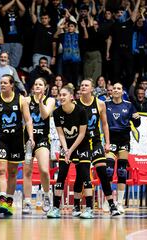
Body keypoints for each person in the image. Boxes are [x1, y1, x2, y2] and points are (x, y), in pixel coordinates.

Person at [47, 85, 92, 218]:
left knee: (85, 175)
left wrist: (71, 150)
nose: (61, 97)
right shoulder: (56, 113)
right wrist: (66, 150)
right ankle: (55, 208)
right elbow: (61, 134)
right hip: (66, 145)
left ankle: (88, 209)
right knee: (61, 175)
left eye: (64, 95)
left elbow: (82, 134)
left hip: (82, 144)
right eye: (60, 95)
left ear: (71, 97)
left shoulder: (81, 111)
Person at [76, 79, 120, 216]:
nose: (83, 87)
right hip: (80, 143)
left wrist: (107, 142)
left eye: (86, 85)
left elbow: (105, 124)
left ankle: (112, 205)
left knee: (103, 172)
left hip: (95, 142)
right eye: (82, 85)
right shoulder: (75, 105)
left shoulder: (100, 103)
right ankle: (79, 207)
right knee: (81, 175)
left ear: (92, 89)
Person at [0, 74, 34, 216]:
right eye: (1, 82)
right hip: (0, 139)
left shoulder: (21, 100)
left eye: (5, 83)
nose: (2, 85)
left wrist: (31, 137)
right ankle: (2, 199)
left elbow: (28, 120)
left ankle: (8, 203)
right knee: (1, 170)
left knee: (13, 172)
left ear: (12, 85)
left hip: (16, 140)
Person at [105, 82, 141, 213]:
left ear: (122, 91)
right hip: (111, 138)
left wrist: (137, 119)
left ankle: (119, 203)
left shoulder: (129, 105)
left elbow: (137, 123)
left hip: (124, 139)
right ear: (111, 91)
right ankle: (108, 201)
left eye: (118, 88)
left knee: (121, 171)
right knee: (108, 170)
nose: (116, 90)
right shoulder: (105, 104)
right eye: (114, 88)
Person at [22, 77, 56, 214]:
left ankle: (47, 196)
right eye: (35, 84)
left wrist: (41, 102)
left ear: (45, 87)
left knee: (44, 170)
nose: (37, 86)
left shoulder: (50, 100)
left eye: (40, 84)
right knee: (27, 171)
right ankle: (28, 201)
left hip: (42, 139)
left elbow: (45, 115)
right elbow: (25, 120)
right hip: (28, 140)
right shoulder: (26, 101)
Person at [106, 0, 140, 88]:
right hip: (117, 51)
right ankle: (116, 89)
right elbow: (110, 39)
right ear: (116, 14)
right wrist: (107, 51)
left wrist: (138, 2)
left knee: (129, 72)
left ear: (125, 13)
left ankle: (128, 90)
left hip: (127, 51)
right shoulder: (114, 25)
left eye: (122, 12)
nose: (120, 14)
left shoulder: (129, 23)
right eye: (118, 13)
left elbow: (135, 12)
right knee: (116, 72)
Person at [0, 0, 26, 68]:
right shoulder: (5, 15)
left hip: (17, 41)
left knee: (15, 64)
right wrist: (13, 1)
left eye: (13, 5)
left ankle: (11, 77)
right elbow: (3, 9)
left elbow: (23, 9)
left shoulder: (18, 14)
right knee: (4, 62)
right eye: (10, 5)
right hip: (6, 41)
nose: (12, 7)